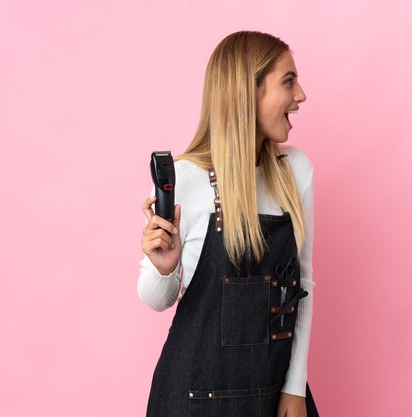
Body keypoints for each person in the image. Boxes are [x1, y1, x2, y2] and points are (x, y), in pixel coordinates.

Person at [138, 30, 318, 417]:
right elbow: (155, 300)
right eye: (288, 81)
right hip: (190, 400)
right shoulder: (186, 177)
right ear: (248, 92)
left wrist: (294, 387)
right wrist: (163, 268)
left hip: (274, 395)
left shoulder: (295, 171)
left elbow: (303, 284)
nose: (300, 95)